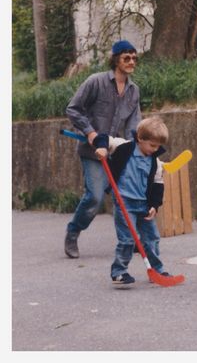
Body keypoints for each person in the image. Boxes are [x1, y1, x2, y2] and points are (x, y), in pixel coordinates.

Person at [64, 40, 142, 258]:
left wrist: (136, 150)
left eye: (134, 58)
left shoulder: (133, 91)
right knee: (95, 197)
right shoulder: (95, 82)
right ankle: (73, 232)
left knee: (126, 197)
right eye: (127, 58)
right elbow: (73, 109)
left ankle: (130, 240)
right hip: (93, 152)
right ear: (115, 59)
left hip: (117, 151)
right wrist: (90, 133)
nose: (131, 61)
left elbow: (134, 125)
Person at [91, 116, 172, 287]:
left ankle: (156, 270)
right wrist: (102, 148)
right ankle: (119, 272)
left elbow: (158, 184)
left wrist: (154, 205)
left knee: (152, 238)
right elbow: (104, 138)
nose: (155, 149)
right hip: (124, 201)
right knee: (127, 239)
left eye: (157, 146)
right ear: (140, 139)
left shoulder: (154, 161)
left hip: (143, 203)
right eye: (152, 145)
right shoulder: (124, 147)